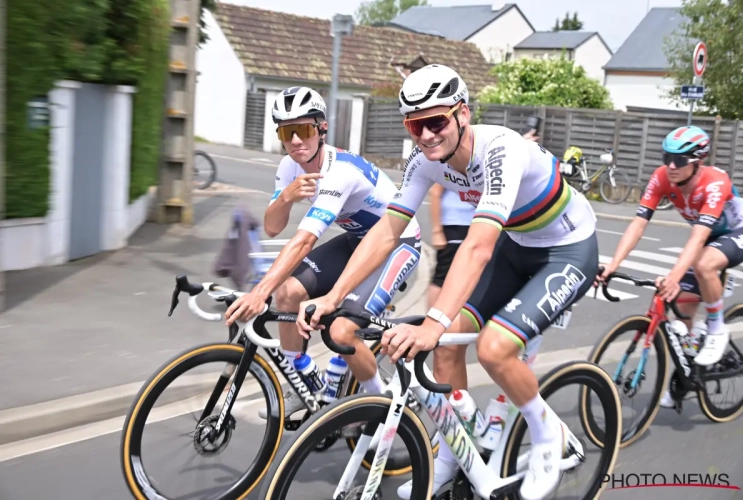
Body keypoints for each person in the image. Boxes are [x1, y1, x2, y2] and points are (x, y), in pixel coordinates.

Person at [296, 64, 599, 500]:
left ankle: (548, 433)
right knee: (444, 349)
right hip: (515, 247)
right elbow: (387, 230)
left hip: (566, 250)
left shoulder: (501, 149)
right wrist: (333, 296)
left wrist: (434, 320)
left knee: (493, 348)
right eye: (414, 124)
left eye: (435, 121)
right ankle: (455, 452)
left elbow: (477, 245)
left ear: (463, 113)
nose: (425, 134)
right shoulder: (422, 160)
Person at [224, 86, 422, 418]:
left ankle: (384, 407)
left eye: (304, 129)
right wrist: (285, 197)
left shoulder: (339, 171)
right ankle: (301, 378)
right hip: (358, 239)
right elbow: (273, 227)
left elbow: (303, 241)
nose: (297, 140)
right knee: (287, 292)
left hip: (398, 242)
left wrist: (259, 293)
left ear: (322, 129)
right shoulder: (289, 166)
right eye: (288, 132)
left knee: (340, 328)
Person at [598, 125, 743, 404]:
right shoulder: (661, 178)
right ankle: (687, 376)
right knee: (682, 310)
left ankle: (717, 329)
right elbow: (638, 224)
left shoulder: (715, 182)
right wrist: (610, 265)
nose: (670, 165)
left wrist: (674, 276)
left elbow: (699, 236)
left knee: (704, 265)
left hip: (741, 231)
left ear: (697, 161)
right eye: (666, 156)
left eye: (679, 160)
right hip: (708, 238)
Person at [428, 186, 474, 309]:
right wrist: (437, 231)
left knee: (470, 277)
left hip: (478, 223)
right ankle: (428, 320)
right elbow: (435, 192)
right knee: (443, 276)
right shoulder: (451, 167)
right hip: (455, 222)